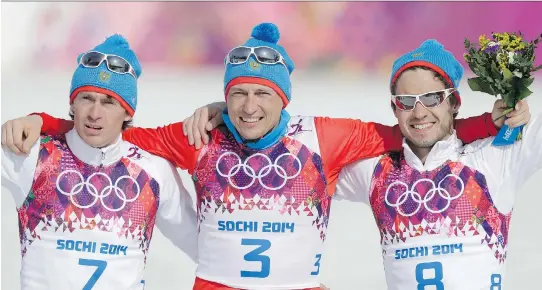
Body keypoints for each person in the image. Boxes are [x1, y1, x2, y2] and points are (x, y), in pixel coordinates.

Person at [2, 24, 512, 290]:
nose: (248, 108)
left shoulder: (324, 137)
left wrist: (487, 124)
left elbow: (413, 125)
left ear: (284, 97)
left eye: (262, 93)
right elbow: (115, 131)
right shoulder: (201, 138)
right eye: (238, 94)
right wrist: (47, 123)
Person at [333, 40, 538, 289]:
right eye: (406, 101)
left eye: (432, 98)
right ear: (394, 108)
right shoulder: (375, 171)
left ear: (454, 104)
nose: (419, 113)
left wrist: (517, 108)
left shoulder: (493, 157)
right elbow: (297, 172)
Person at [1, 35, 198, 290]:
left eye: (108, 102)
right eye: (86, 99)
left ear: (128, 111)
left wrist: (221, 110)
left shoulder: (152, 172)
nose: (95, 113)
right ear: (73, 103)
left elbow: (206, 249)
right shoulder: (32, 154)